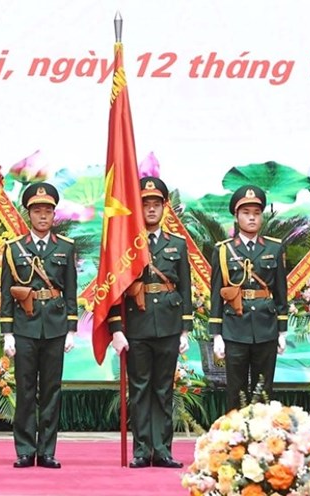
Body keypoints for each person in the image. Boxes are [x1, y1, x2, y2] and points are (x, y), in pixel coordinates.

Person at [107, 177, 193, 469]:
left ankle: (163, 449)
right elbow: (114, 290)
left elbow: (185, 288)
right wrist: (116, 328)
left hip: (168, 324)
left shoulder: (177, 244)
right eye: (146, 204)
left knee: (163, 389)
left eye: (157, 204)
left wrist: (185, 327)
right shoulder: (126, 246)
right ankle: (142, 449)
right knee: (141, 389)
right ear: (137, 208)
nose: (152, 210)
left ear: (165, 207)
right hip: (138, 326)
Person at [0, 182, 78, 469]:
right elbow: (6, 292)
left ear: (54, 215)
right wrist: (7, 332)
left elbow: (71, 289)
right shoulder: (14, 248)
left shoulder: (66, 248)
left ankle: (47, 450)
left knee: (51, 390)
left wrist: (71, 328)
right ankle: (24, 449)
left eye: (47, 211)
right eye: (37, 211)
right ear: (28, 214)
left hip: (56, 326)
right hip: (24, 327)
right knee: (25, 389)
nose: (42, 216)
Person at [210, 185, 288, 411]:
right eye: (246, 213)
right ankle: (235, 441)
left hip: (266, 327)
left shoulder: (274, 247)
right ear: (236, 216)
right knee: (236, 390)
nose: (252, 218)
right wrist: (216, 335)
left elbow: (281, 292)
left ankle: (262, 442)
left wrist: (282, 331)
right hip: (235, 327)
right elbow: (216, 293)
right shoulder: (223, 251)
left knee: (264, 390)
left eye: (256, 213)